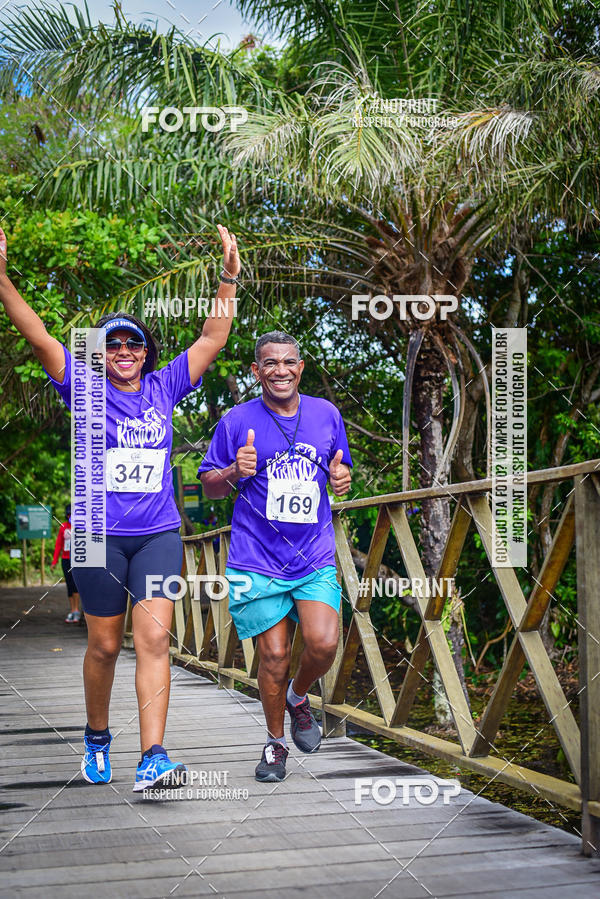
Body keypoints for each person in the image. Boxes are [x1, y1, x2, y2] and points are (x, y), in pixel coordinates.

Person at [0, 224, 240, 791]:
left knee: (154, 641)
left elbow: (213, 337)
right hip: (95, 536)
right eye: (112, 344)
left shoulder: (164, 386)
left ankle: (154, 757)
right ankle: (96, 736)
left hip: (157, 534)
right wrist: (2, 280)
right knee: (105, 645)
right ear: (100, 353)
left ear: (145, 353)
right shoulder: (82, 387)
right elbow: (37, 335)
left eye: (133, 344)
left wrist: (228, 278)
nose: (124, 351)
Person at [199, 330, 352, 782]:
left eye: (288, 362)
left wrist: (341, 478)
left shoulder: (326, 414)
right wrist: (234, 470)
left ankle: (298, 696)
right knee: (274, 657)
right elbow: (209, 486)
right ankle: (274, 744)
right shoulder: (236, 420)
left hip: (312, 554)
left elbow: (339, 467)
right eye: (270, 363)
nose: (280, 370)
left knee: (323, 643)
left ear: (300, 368)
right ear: (256, 370)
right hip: (256, 557)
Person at [51, 503, 82, 624]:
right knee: (69, 584)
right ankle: (72, 610)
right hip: (65, 559)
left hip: (77, 559)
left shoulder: (81, 526)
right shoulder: (63, 527)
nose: (70, 516)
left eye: (72, 514)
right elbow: (58, 545)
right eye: (68, 514)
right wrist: (54, 561)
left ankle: (77, 610)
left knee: (75, 584)